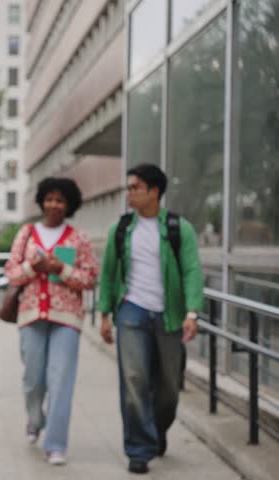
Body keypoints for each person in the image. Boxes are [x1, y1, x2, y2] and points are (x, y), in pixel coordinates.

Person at [98, 164, 204, 475]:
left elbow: (192, 271)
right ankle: (139, 449)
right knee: (134, 381)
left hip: (169, 314)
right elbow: (107, 275)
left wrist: (192, 313)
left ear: (154, 191)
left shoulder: (178, 228)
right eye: (128, 188)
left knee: (169, 387)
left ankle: (156, 431)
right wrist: (104, 315)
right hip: (131, 311)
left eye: (135, 188)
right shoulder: (120, 229)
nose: (129, 193)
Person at [4, 177, 98, 466]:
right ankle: (34, 419)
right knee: (34, 380)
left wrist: (63, 269)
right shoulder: (28, 233)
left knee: (61, 381)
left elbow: (90, 278)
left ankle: (56, 444)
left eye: (60, 200)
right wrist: (34, 266)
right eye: (50, 199)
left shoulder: (78, 238)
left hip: (66, 318)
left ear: (68, 205)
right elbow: (11, 273)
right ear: (42, 201)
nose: (54, 205)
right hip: (31, 316)